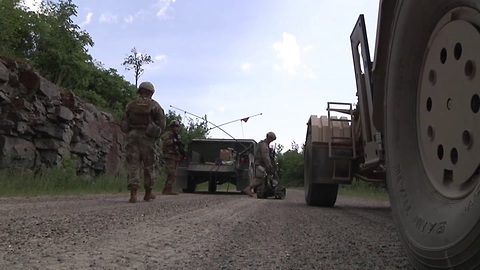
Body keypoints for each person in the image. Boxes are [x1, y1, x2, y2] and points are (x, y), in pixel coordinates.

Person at [123, 81, 165, 203]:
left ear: (140, 91)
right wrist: (155, 133)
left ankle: (133, 194)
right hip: (147, 137)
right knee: (149, 165)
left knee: (133, 165)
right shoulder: (155, 105)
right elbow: (162, 123)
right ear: (151, 92)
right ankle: (148, 193)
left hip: (133, 136)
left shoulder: (131, 104)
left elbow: (124, 120)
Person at [243, 131, 277, 197]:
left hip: (259, 164)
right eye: (272, 139)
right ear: (269, 137)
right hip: (259, 164)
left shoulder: (263, 144)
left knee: (262, 178)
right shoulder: (264, 145)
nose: (272, 141)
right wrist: (269, 165)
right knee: (259, 178)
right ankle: (248, 189)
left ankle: (260, 191)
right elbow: (265, 156)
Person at [161, 120, 183, 195]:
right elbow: (165, 143)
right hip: (169, 155)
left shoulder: (178, 136)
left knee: (174, 174)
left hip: (176, 155)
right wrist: (173, 141)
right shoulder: (167, 134)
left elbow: (179, 146)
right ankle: (166, 189)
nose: (175, 128)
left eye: (176, 126)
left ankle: (168, 189)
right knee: (171, 173)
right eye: (173, 126)